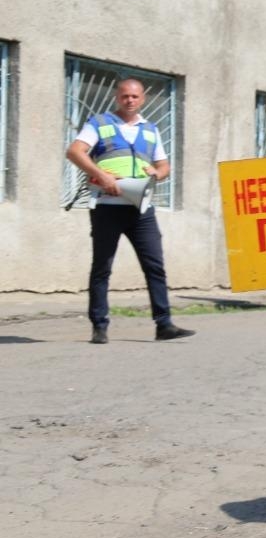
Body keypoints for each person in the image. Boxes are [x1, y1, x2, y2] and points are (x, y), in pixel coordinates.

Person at [64, 78, 195, 344]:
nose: (130, 101)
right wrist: (101, 175)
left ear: (142, 99)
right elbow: (75, 152)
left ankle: (164, 324)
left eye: (135, 96)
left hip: (141, 210)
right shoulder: (99, 124)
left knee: (155, 266)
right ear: (117, 98)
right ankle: (99, 327)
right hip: (107, 207)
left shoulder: (150, 129)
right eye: (125, 96)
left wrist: (158, 173)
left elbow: (164, 166)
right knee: (102, 267)